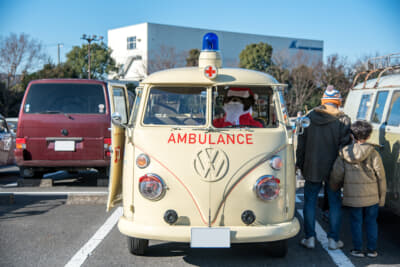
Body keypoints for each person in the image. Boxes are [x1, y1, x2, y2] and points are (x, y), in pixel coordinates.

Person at [296, 85, 351, 250]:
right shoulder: (344, 120)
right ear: (338, 102)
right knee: (334, 202)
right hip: (334, 167)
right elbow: (346, 148)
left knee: (310, 201)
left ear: (323, 101)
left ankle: (310, 238)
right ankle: (333, 240)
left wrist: (300, 163)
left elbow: (301, 144)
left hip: (312, 166)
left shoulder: (310, 116)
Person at [330, 120, 386, 258]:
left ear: (351, 136)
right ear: (368, 136)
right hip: (372, 196)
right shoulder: (374, 153)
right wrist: (382, 197)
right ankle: (372, 250)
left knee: (356, 221)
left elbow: (337, 175)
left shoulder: (344, 153)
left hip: (353, 196)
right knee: (371, 222)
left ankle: (357, 249)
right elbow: (381, 176)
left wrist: (334, 187)